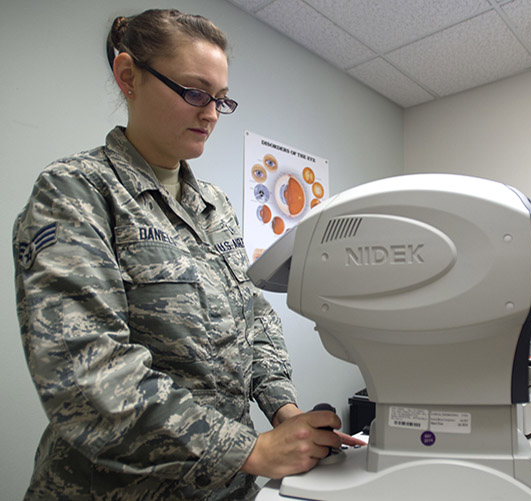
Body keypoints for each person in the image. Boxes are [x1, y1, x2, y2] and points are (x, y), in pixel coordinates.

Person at [13, 9, 362, 500]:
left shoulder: (214, 205)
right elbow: (86, 374)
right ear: (129, 77)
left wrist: (284, 410)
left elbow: (252, 316)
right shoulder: (76, 192)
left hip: (223, 488)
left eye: (221, 99)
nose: (211, 114)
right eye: (195, 93)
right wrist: (251, 450)